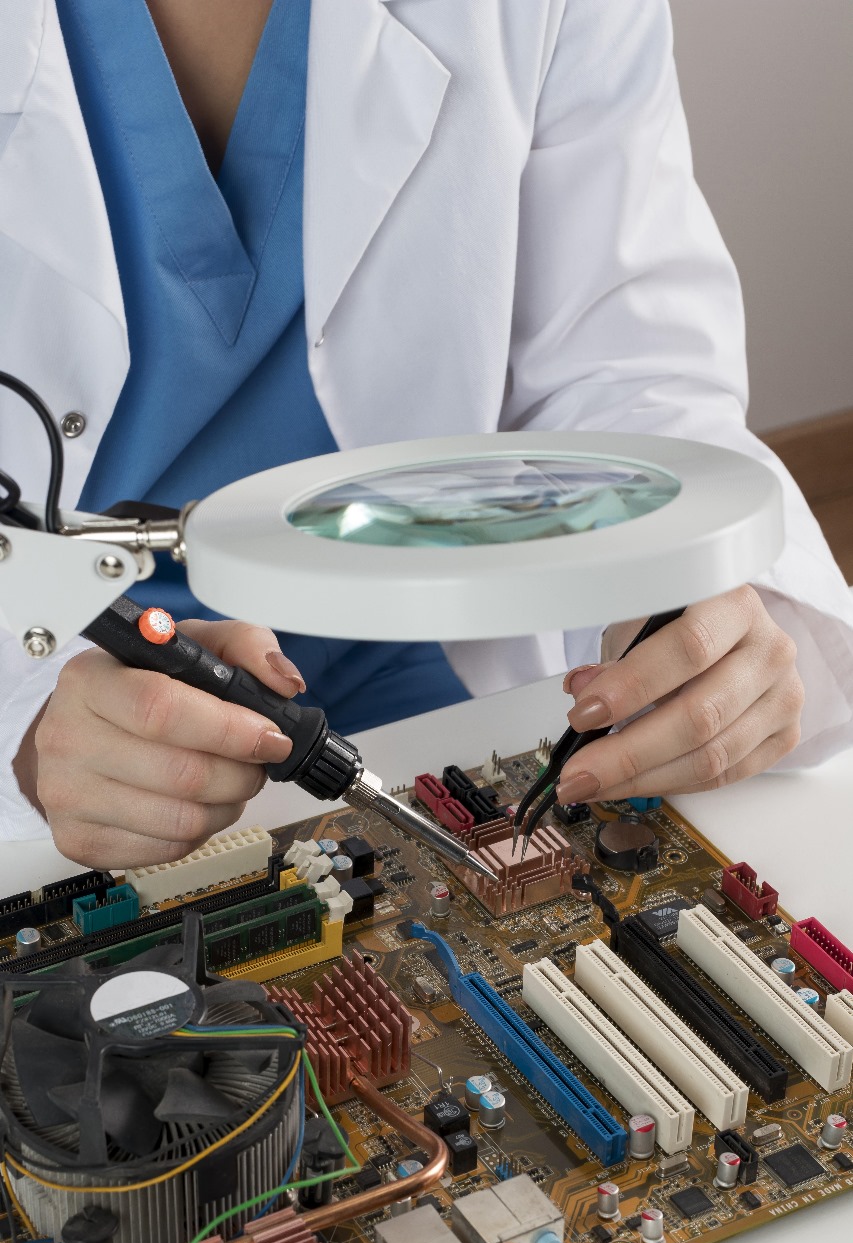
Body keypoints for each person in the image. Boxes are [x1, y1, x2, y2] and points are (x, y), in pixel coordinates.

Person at [1, 0, 851, 867]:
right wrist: (25, 732)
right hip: (78, 721)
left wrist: (696, 594)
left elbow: (628, 371)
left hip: (441, 668)